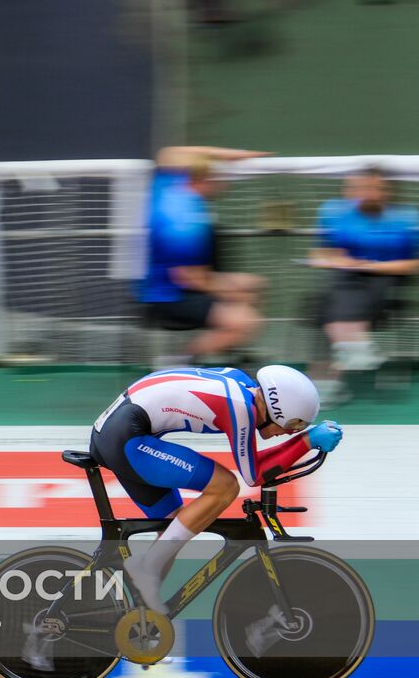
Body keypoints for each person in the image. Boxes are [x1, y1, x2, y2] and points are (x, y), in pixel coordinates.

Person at [88, 364, 341, 616]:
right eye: (290, 426)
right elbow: (253, 476)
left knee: (174, 528)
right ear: (277, 410)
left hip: (119, 432)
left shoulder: (243, 385)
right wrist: (306, 441)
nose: (285, 433)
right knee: (225, 486)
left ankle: (141, 620)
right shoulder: (241, 408)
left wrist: (303, 439)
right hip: (125, 438)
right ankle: (148, 569)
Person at [139, 145, 269, 364]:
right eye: (218, 178)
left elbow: (170, 153)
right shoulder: (182, 220)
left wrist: (233, 155)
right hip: (169, 297)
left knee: (254, 284)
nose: (223, 183)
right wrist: (233, 293)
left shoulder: (168, 185)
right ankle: (179, 361)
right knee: (245, 321)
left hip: (187, 284)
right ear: (203, 179)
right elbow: (189, 278)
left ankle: (228, 351)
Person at [309, 168, 419, 402]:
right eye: (360, 189)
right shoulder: (334, 212)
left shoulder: (407, 217)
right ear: (349, 192)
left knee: (337, 298)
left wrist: (372, 267)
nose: (367, 194)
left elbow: (413, 264)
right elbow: (320, 254)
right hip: (347, 278)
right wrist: (342, 261)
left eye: (374, 188)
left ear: (385, 191)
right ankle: (354, 348)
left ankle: (334, 370)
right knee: (331, 293)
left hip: (388, 280)